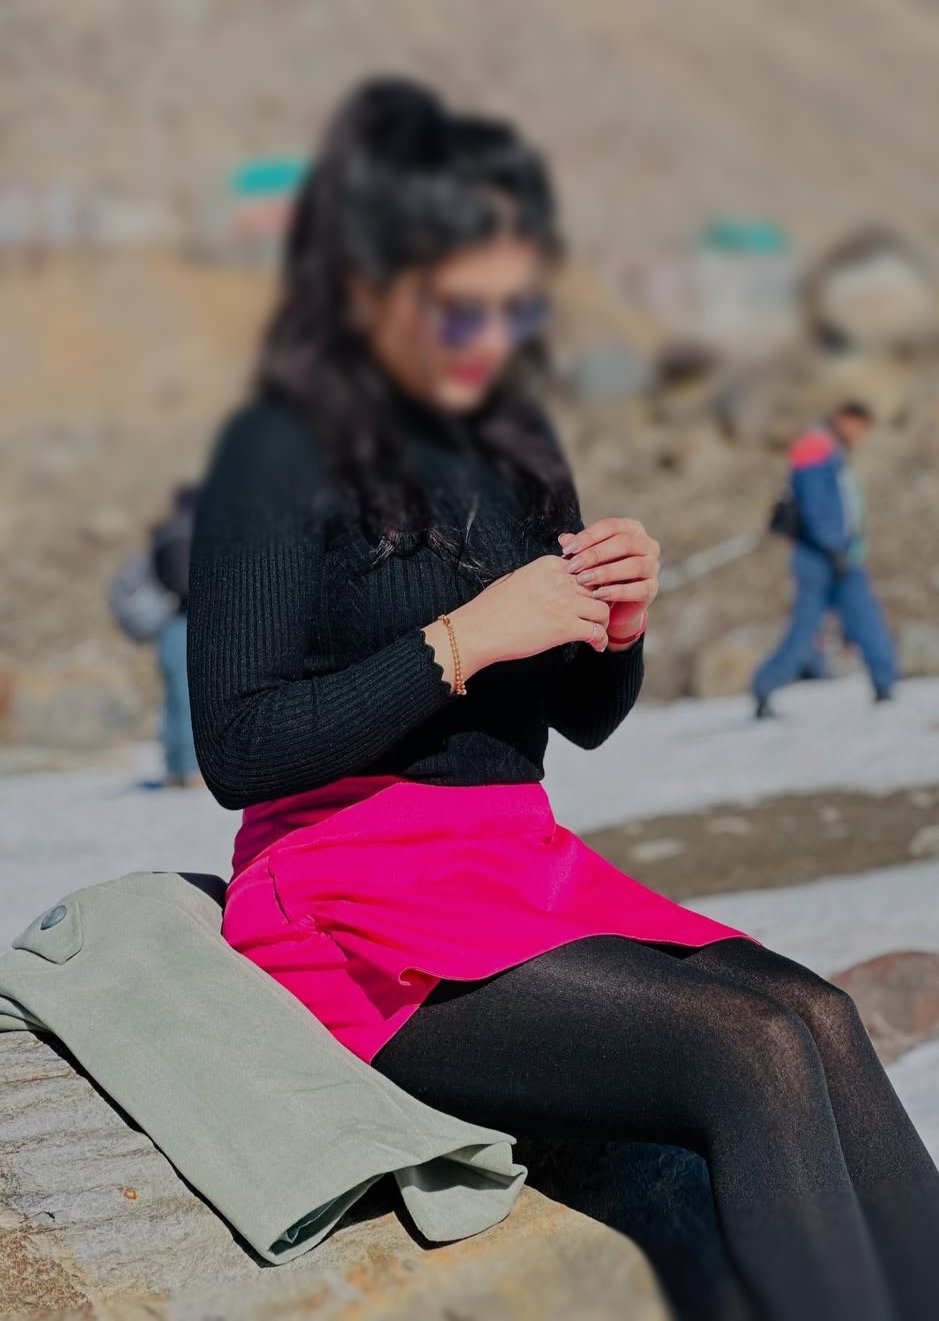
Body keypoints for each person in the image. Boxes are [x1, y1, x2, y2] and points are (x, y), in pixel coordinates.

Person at [186, 79, 939, 1321]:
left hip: (513, 865)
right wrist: (458, 641)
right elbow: (238, 745)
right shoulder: (276, 449)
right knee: (748, 1049)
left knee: (819, 1012)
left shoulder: (515, 439)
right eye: (459, 306)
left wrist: (619, 624)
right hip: (346, 907)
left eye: (516, 303)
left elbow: (582, 716)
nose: (491, 337)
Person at [753, 402, 898, 719]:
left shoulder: (831, 448)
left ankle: (886, 685)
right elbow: (816, 506)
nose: (862, 436)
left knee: (864, 619)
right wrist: (834, 548)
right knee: (805, 627)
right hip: (820, 556)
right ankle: (765, 687)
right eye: (861, 427)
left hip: (842, 554)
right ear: (846, 420)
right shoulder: (815, 446)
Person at [151, 484, 201, 788]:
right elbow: (187, 586)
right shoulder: (188, 534)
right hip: (186, 624)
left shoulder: (164, 533)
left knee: (173, 700)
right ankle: (191, 769)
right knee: (188, 699)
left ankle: (173, 767)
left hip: (168, 625)